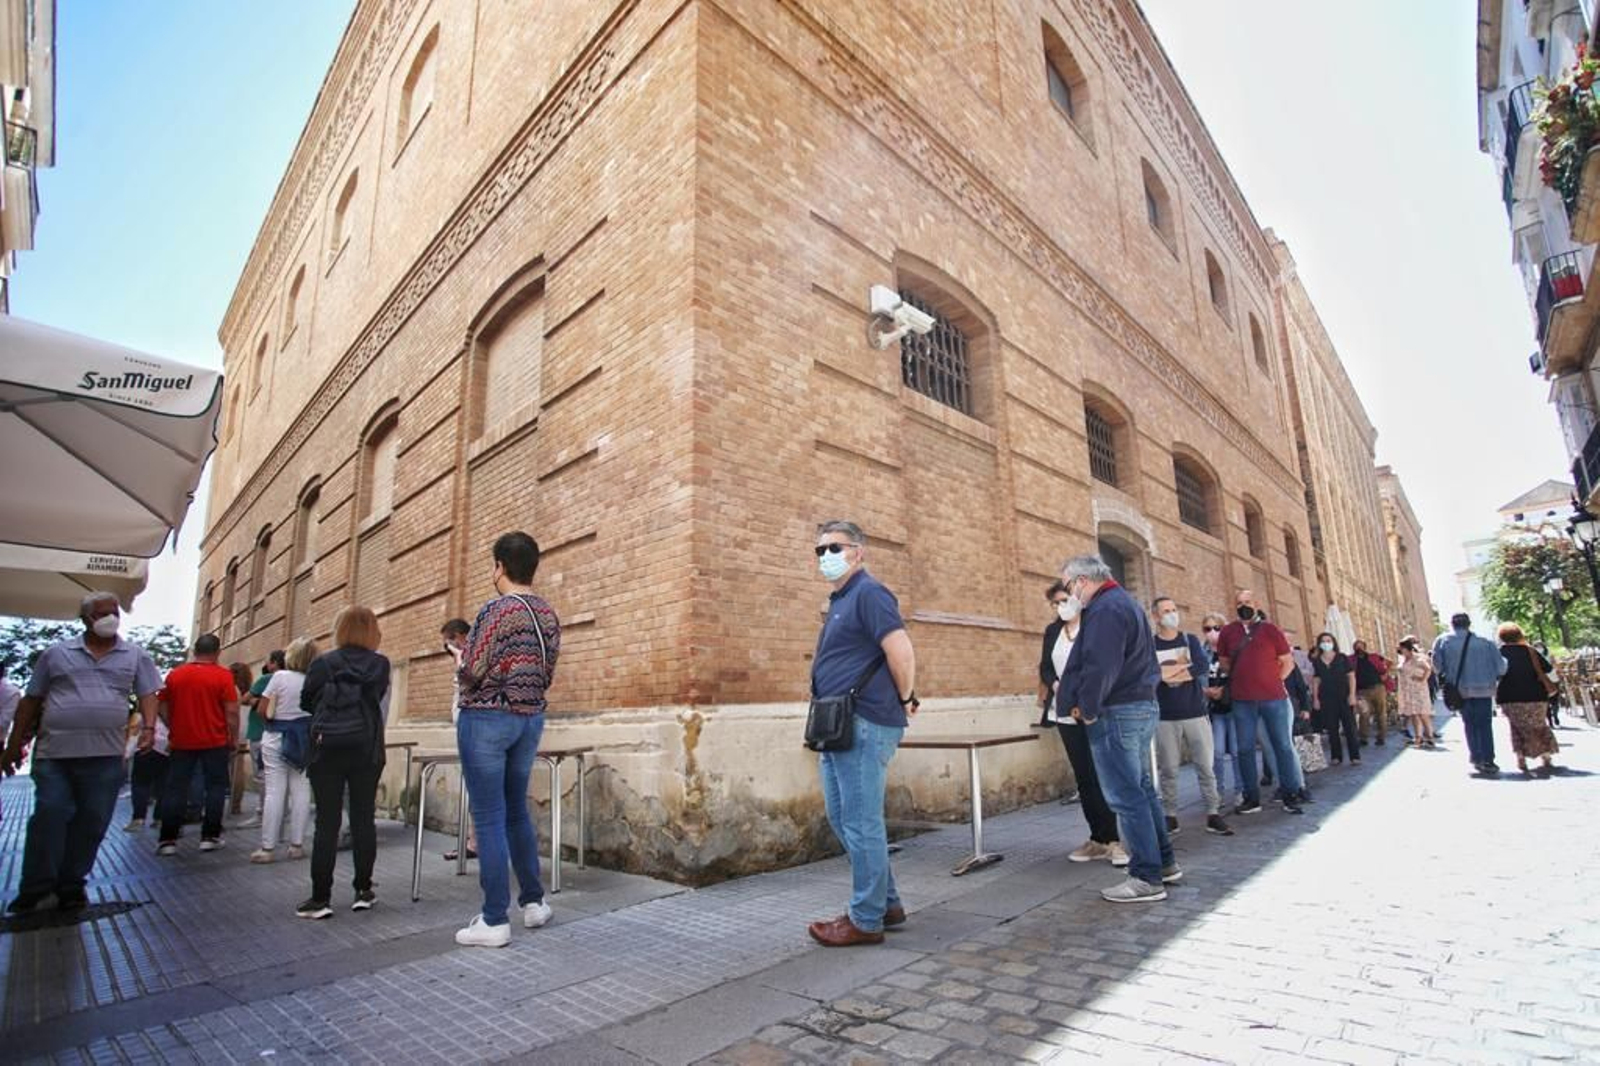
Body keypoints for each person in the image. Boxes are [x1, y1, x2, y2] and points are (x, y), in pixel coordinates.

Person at [1, 593, 162, 912]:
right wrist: (13, 745)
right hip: (55, 752)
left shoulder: (134, 656)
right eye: (102, 613)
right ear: (86, 619)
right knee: (50, 813)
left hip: (104, 754)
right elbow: (30, 701)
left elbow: (148, 693)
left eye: (114, 612)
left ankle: (72, 884)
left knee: (93, 820)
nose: (110, 618)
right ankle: (36, 886)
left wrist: (148, 729)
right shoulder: (56, 654)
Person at [806, 520, 918, 945]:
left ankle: (866, 919)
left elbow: (901, 650)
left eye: (834, 547)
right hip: (836, 724)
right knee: (843, 817)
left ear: (858, 552)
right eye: (820, 550)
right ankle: (886, 902)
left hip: (864, 722)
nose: (826, 557)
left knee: (861, 820)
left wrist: (906, 696)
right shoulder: (841, 599)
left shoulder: (869, 593)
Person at [452, 533, 563, 948]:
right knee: (516, 810)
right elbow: (547, 670)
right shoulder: (548, 614)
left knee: (489, 817)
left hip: (487, 718)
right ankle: (533, 903)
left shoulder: (495, 612)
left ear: (500, 565)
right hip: (529, 717)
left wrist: (460, 664)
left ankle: (494, 918)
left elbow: (475, 668)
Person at [1056, 555, 1177, 903]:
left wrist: (1090, 709)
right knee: (1140, 790)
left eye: (1068, 586)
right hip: (1137, 708)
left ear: (1081, 581)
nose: (1069, 594)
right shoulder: (1125, 603)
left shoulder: (1107, 609)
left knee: (1126, 796)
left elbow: (1101, 665)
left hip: (1118, 712)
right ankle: (1164, 863)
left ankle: (1146, 877)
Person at [296, 605, 390, 919]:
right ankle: (363, 890)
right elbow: (375, 697)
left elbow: (307, 701)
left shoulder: (323, 663)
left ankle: (320, 898)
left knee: (327, 822)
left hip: (327, 749)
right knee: (363, 818)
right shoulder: (379, 665)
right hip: (366, 748)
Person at [1037, 582, 1123, 864]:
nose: (1060, 606)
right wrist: (1056, 682)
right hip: (1062, 711)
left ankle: (1115, 840)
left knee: (1103, 773)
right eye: (1055, 603)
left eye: (1064, 600)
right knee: (1084, 777)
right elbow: (1045, 667)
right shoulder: (1052, 632)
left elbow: (1100, 665)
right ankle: (1097, 837)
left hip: (1090, 709)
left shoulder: (1092, 627)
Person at [1215, 590, 1307, 813]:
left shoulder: (1270, 630)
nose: (1243, 606)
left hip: (1273, 698)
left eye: (1247, 602)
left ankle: (1290, 793)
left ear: (1256, 604)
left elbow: (1287, 662)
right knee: (1245, 748)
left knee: (1282, 745)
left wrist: (1273, 680)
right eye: (1239, 603)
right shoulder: (1228, 632)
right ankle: (1251, 798)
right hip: (1242, 700)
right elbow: (1225, 663)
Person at [1151, 597, 1230, 837]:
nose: (1172, 614)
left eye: (1174, 609)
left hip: (1195, 712)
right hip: (1165, 716)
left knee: (1205, 766)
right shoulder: (1150, 645)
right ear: (1156, 616)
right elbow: (1152, 674)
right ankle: (1170, 815)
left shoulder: (1190, 640)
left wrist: (1170, 673)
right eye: (1166, 611)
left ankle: (1213, 813)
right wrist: (1179, 670)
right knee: (1169, 769)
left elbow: (1201, 666)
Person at [155, 634, 240, 856]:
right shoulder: (223, 676)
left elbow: (161, 704)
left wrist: (172, 724)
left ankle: (168, 839)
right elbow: (231, 712)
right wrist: (234, 737)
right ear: (218, 652)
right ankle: (210, 836)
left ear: (195, 650)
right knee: (215, 787)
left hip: (182, 740)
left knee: (175, 788)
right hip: (215, 740)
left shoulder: (176, 675)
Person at [252, 637, 318, 864]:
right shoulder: (314, 680)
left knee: (274, 791)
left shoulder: (279, 677)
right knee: (301, 790)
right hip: (304, 739)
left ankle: (267, 847)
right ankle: (296, 845)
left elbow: (262, 709)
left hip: (276, 736)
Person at [1433, 613, 1508, 775]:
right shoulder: (1486, 642)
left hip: (1460, 690)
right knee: (1485, 725)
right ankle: (1488, 759)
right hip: (1484, 690)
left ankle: (1477, 757)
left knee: (1470, 724)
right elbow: (1501, 668)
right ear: (1469, 624)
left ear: (1452, 624)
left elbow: (1437, 667)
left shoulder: (1443, 641)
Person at [1496, 624, 1560, 777]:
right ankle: (1545, 755)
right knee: (1539, 724)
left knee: (1516, 727)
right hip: (1536, 695)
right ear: (1519, 635)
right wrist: (1555, 684)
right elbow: (1550, 671)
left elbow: (1495, 674)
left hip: (1510, 697)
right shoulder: (1531, 651)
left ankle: (1520, 757)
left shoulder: (1498, 654)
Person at [440, 617, 478, 863]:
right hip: (466, 728)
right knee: (474, 788)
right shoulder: (465, 656)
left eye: (449, 640)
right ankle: (473, 840)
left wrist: (459, 656)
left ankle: (475, 842)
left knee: (476, 787)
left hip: (473, 730)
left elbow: (469, 685)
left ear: (461, 637)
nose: (446, 646)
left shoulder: (470, 657)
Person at [236, 650, 284, 829]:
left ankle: (262, 813)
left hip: (260, 733)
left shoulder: (266, 679)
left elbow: (244, 699)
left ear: (274, 663)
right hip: (281, 733)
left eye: (268, 662)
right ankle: (278, 812)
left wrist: (255, 701)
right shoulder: (292, 679)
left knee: (262, 776)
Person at [1202, 614, 1241, 810]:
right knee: (1216, 753)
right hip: (1215, 709)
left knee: (1236, 751)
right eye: (1207, 628)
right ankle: (1217, 792)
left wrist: (1224, 691)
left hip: (1233, 707)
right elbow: (1198, 678)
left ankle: (1240, 790)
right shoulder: (1202, 653)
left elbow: (1239, 675)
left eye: (1216, 627)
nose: (1212, 632)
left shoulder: (1232, 650)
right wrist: (1206, 692)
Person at [1310, 633, 1360, 765]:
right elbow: (1316, 681)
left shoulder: (1342, 658)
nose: (1326, 643)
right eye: (1323, 641)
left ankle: (1355, 756)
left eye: (1329, 640)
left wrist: (1352, 694)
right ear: (1319, 644)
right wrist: (1315, 699)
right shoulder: (1317, 661)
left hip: (1344, 696)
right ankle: (1336, 756)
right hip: (1326, 698)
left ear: (1333, 642)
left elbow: (1351, 676)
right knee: (1332, 728)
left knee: (1349, 727)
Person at [124, 712, 171, 830]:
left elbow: (133, 730)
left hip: (144, 747)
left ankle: (138, 819)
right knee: (163, 783)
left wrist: (126, 753)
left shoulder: (141, 713)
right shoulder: (170, 710)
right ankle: (160, 818)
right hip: (165, 747)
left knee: (140, 784)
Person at [1394, 637, 1436, 748]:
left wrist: (1422, 679)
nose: (1401, 651)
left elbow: (1428, 669)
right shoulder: (1403, 660)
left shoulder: (1417, 658)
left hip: (1418, 689)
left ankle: (1429, 737)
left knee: (1423, 713)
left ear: (1407, 649)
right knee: (1413, 714)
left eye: (1402, 649)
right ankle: (1418, 737)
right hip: (1407, 689)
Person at [1350, 640, 1391, 748]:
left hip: (1378, 688)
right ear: (1354, 648)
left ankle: (1381, 737)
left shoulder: (1373, 657)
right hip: (1361, 691)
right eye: (1357, 646)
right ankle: (1363, 738)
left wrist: (1385, 674)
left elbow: (1387, 663)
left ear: (1365, 647)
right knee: (1364, 714)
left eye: (1361, 646)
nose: (1359, 648)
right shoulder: (1351, 660)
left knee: (1380, 713)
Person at [227, 662, 255, 817]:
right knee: (238, 768)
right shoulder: (250, 690)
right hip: (245, 728)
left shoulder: (230, 688)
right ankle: (236, 805)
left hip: (231, 727)